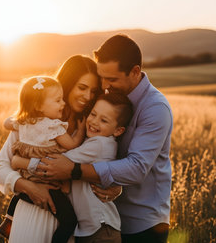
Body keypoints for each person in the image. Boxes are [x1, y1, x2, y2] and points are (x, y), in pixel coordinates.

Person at [35, 34, 173, 243]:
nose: (105, 85)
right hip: (98, 218)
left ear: (135, 72)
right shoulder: (104, 100)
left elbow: (137, 167)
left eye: (112, 79)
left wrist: (75, 170)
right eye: (103, 77)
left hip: (142, 223)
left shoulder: (155, 108)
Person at [0, 55, 101, 243]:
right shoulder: (32, 123)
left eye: (93, 91)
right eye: (82, 88)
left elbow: (105, 171)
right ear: (67, 84)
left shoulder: (94, 126)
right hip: (32, 215)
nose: (88, 97)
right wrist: (30, 188)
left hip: (74, 225)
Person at [12, 92, 133, 243]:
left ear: (118, 131)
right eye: (93, 114)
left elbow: (55, 164)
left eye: (103, 120)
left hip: (101, 230)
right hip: (90, 228)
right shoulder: (96, 142)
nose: (94, 122)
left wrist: (20, 162)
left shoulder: (99, 145)